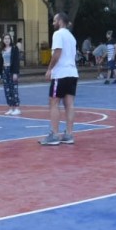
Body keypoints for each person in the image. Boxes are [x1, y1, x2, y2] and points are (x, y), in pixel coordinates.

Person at [40, 12, 78, 146]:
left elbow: (57, 52)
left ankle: (55, 135)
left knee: (53, 102)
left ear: (60, 21)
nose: (53, 23)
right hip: (72, 73)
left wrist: (50, 69)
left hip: (61, 73)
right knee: (69, 104)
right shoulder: (71, 37)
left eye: (54, 21)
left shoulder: (58, 34)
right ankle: (69, 134)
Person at [0, 33, 21, 115]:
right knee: (7, 90)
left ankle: (17, 108)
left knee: (14, 90)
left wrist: (15, 73)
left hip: (12, 71)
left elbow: (16, 62)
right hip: (5, 71)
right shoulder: (2, 50)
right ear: (3, 40)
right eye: (5, 39)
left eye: (8, 38)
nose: (7, 40)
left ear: (10, 39)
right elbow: (1, 62)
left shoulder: (14, 48)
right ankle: (10, 108)